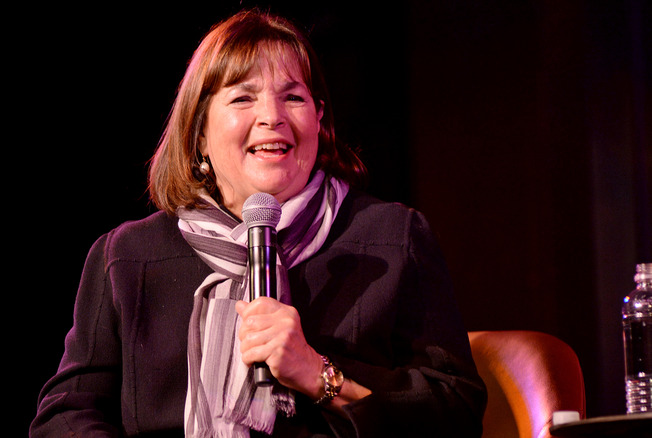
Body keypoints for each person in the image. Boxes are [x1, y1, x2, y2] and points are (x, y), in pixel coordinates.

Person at [30, 9, 486, 438]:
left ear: (319, 119)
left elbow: (458, 411)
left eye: (292, 97)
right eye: (243, 97)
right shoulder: (128, 256)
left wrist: (319, 374)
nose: (272, 117)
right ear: (199, 132)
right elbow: (67, 414)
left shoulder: (392, 237)